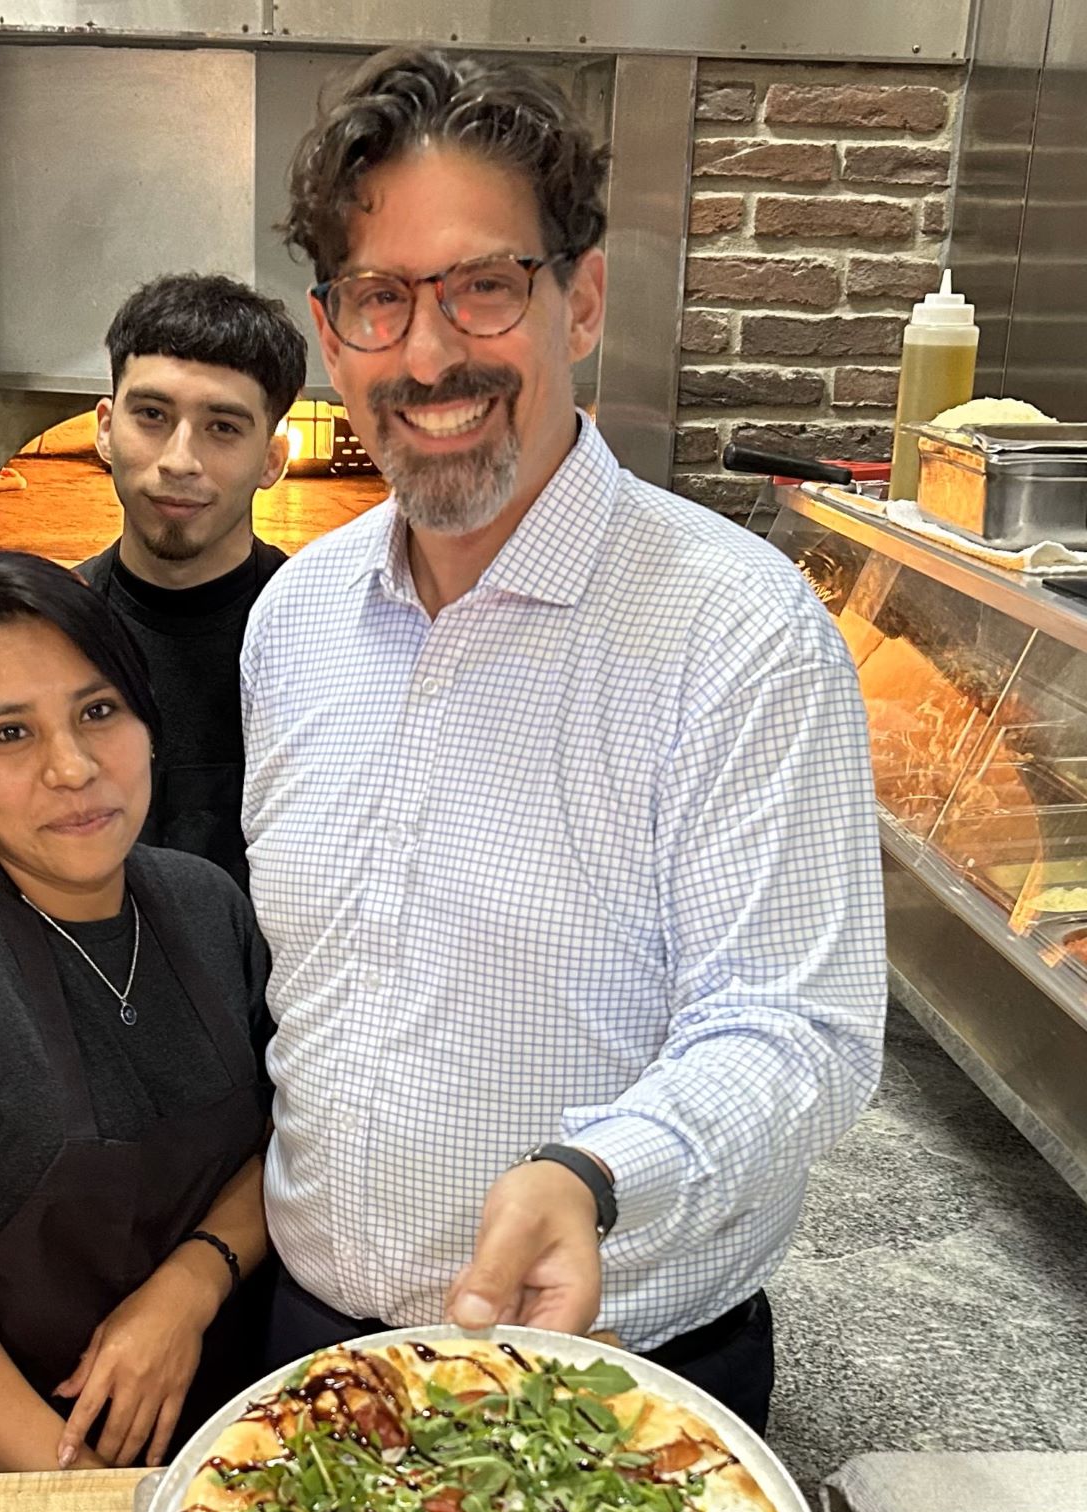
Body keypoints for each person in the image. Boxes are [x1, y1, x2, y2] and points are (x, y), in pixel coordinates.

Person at [242, 48, 885, 1431]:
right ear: (329, 328)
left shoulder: (738, 633)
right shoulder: (291, 619)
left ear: (579, 298)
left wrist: (592, 1173)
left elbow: (800, 1030)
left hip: (608, 1379)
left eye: (485, 285)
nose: (428, 354)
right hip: (309, 1353)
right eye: (379, 299)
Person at [0, 551, 273, 1474]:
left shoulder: (205, 903)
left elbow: (290, 1143)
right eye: (9, 735)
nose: (72, 768)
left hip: (229, 1434)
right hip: (13, 1468)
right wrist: (91, 1499)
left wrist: (189, 1284)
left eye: (98, 712)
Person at [76, 273, 306, 888]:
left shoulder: (322, 640)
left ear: (271, 460)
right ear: (105, 428)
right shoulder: (54, 635)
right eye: (151, 415)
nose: (180, 460)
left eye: (223, 427)